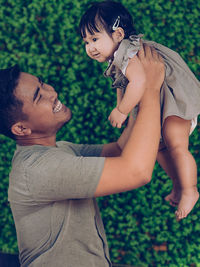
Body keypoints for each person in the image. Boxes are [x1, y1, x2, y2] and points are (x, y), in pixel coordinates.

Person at [0, 45, 164, 266]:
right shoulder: (39, 168)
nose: (52, 92)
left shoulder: (60, 150)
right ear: (21, 129)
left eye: (42, 83)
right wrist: (152, 88)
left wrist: (137, 91)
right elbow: (136, 172)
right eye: (39, 97)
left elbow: (120, 150)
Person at [79, 0, 200, 220]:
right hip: (163, 105)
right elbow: (121, 84)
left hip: (175, 102)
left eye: (95, 39)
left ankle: (191, 189)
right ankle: (179, 185)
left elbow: (139, 82)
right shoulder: (118, 58)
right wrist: (120, 104)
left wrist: (122, 111)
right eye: (86, 42)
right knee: (159, 148)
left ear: (118, 34)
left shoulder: (129, 52)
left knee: (176, 144)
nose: (90, 47)